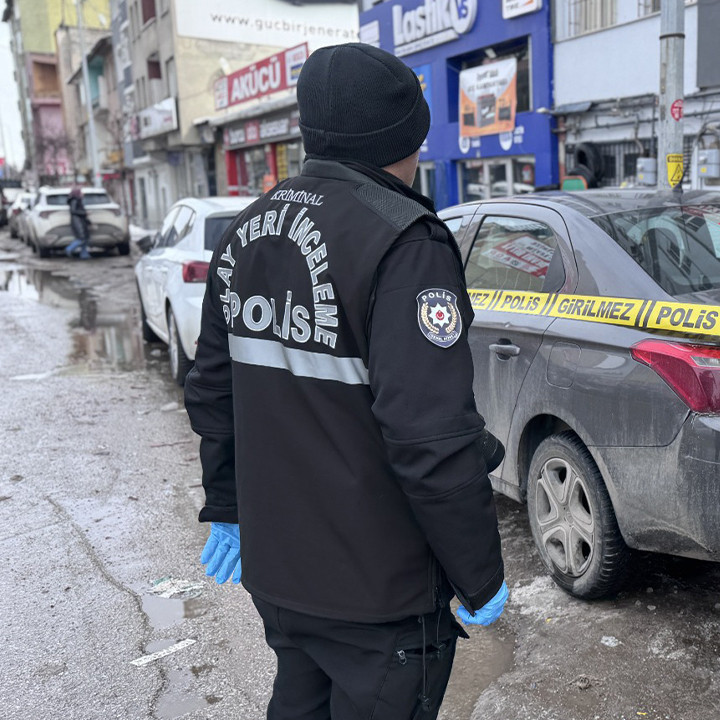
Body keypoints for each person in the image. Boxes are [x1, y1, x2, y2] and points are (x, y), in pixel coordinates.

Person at [185, 43, 508, 720]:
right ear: (411, 134)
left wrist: (227, 503)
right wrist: (479, 573)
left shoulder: (247, 230)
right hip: (379, 597)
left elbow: (213, 391)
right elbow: (431, 438)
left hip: (279, 576)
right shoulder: (404, 242)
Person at [65, 186, 91, 259]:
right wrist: (84, 213)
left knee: (85, 239)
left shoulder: (78, 200)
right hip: (78, 222)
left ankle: (84, 254)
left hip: (81, 221)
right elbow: (73, 211)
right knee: (81, 238)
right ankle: (69, 249)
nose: (82, 193)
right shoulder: (75, 200)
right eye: (80, 192)